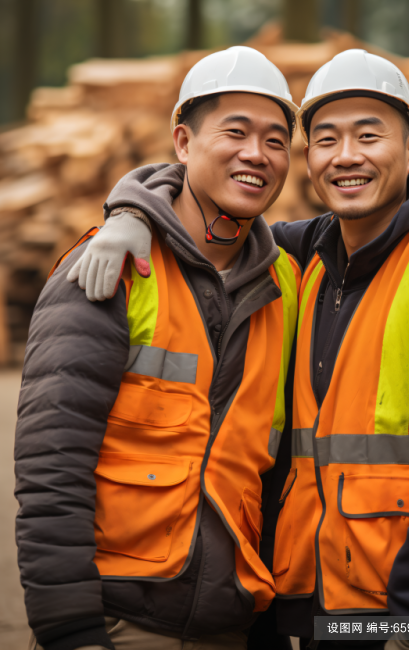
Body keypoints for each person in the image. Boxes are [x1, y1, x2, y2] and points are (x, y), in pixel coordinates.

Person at [68, 49, 409, 650]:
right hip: (321, 606)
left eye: (368, 135)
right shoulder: (306, 259)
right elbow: (202, 210)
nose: (346, 156)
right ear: (309, 160)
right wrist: (132, 212)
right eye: (325, 139)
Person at [15, 46, 301, 650]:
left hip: (232, 625)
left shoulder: (287, 286)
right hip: (122, 623)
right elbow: (51, 470)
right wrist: (69, 627)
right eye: (236, 131)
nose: (258, 153)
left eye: (277, 141)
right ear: (182, 142)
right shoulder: (108, 269)